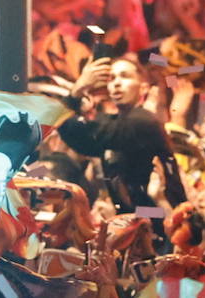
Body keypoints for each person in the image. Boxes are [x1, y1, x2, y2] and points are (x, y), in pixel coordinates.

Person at [58, 57, 187, 211]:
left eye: (125, 76)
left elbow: (79, 131)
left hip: (166, 224)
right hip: (141, 223)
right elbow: (77, 139)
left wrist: (76, 92)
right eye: (112, 78)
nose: (117, 83)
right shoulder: (118, 123)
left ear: (143, 88)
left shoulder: (141, 121)